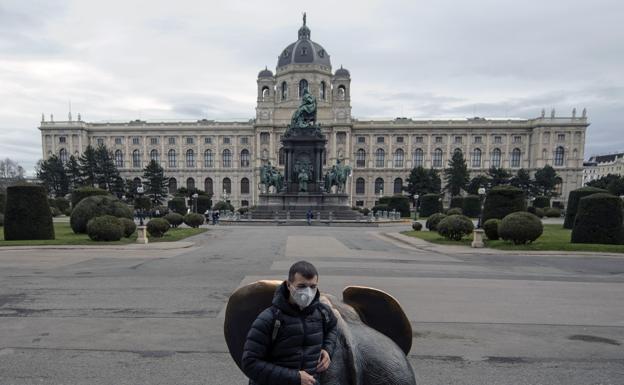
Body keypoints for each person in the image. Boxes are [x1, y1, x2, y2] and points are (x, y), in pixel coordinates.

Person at [242, 261, 338, 385]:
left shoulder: (323, 312)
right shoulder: (269, 318)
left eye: (313, 287)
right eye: (301, 286)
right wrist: (295, 377)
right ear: (288, 285)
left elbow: (332, 327)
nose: (308, 293)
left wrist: (327, 349)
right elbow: (250, 363)